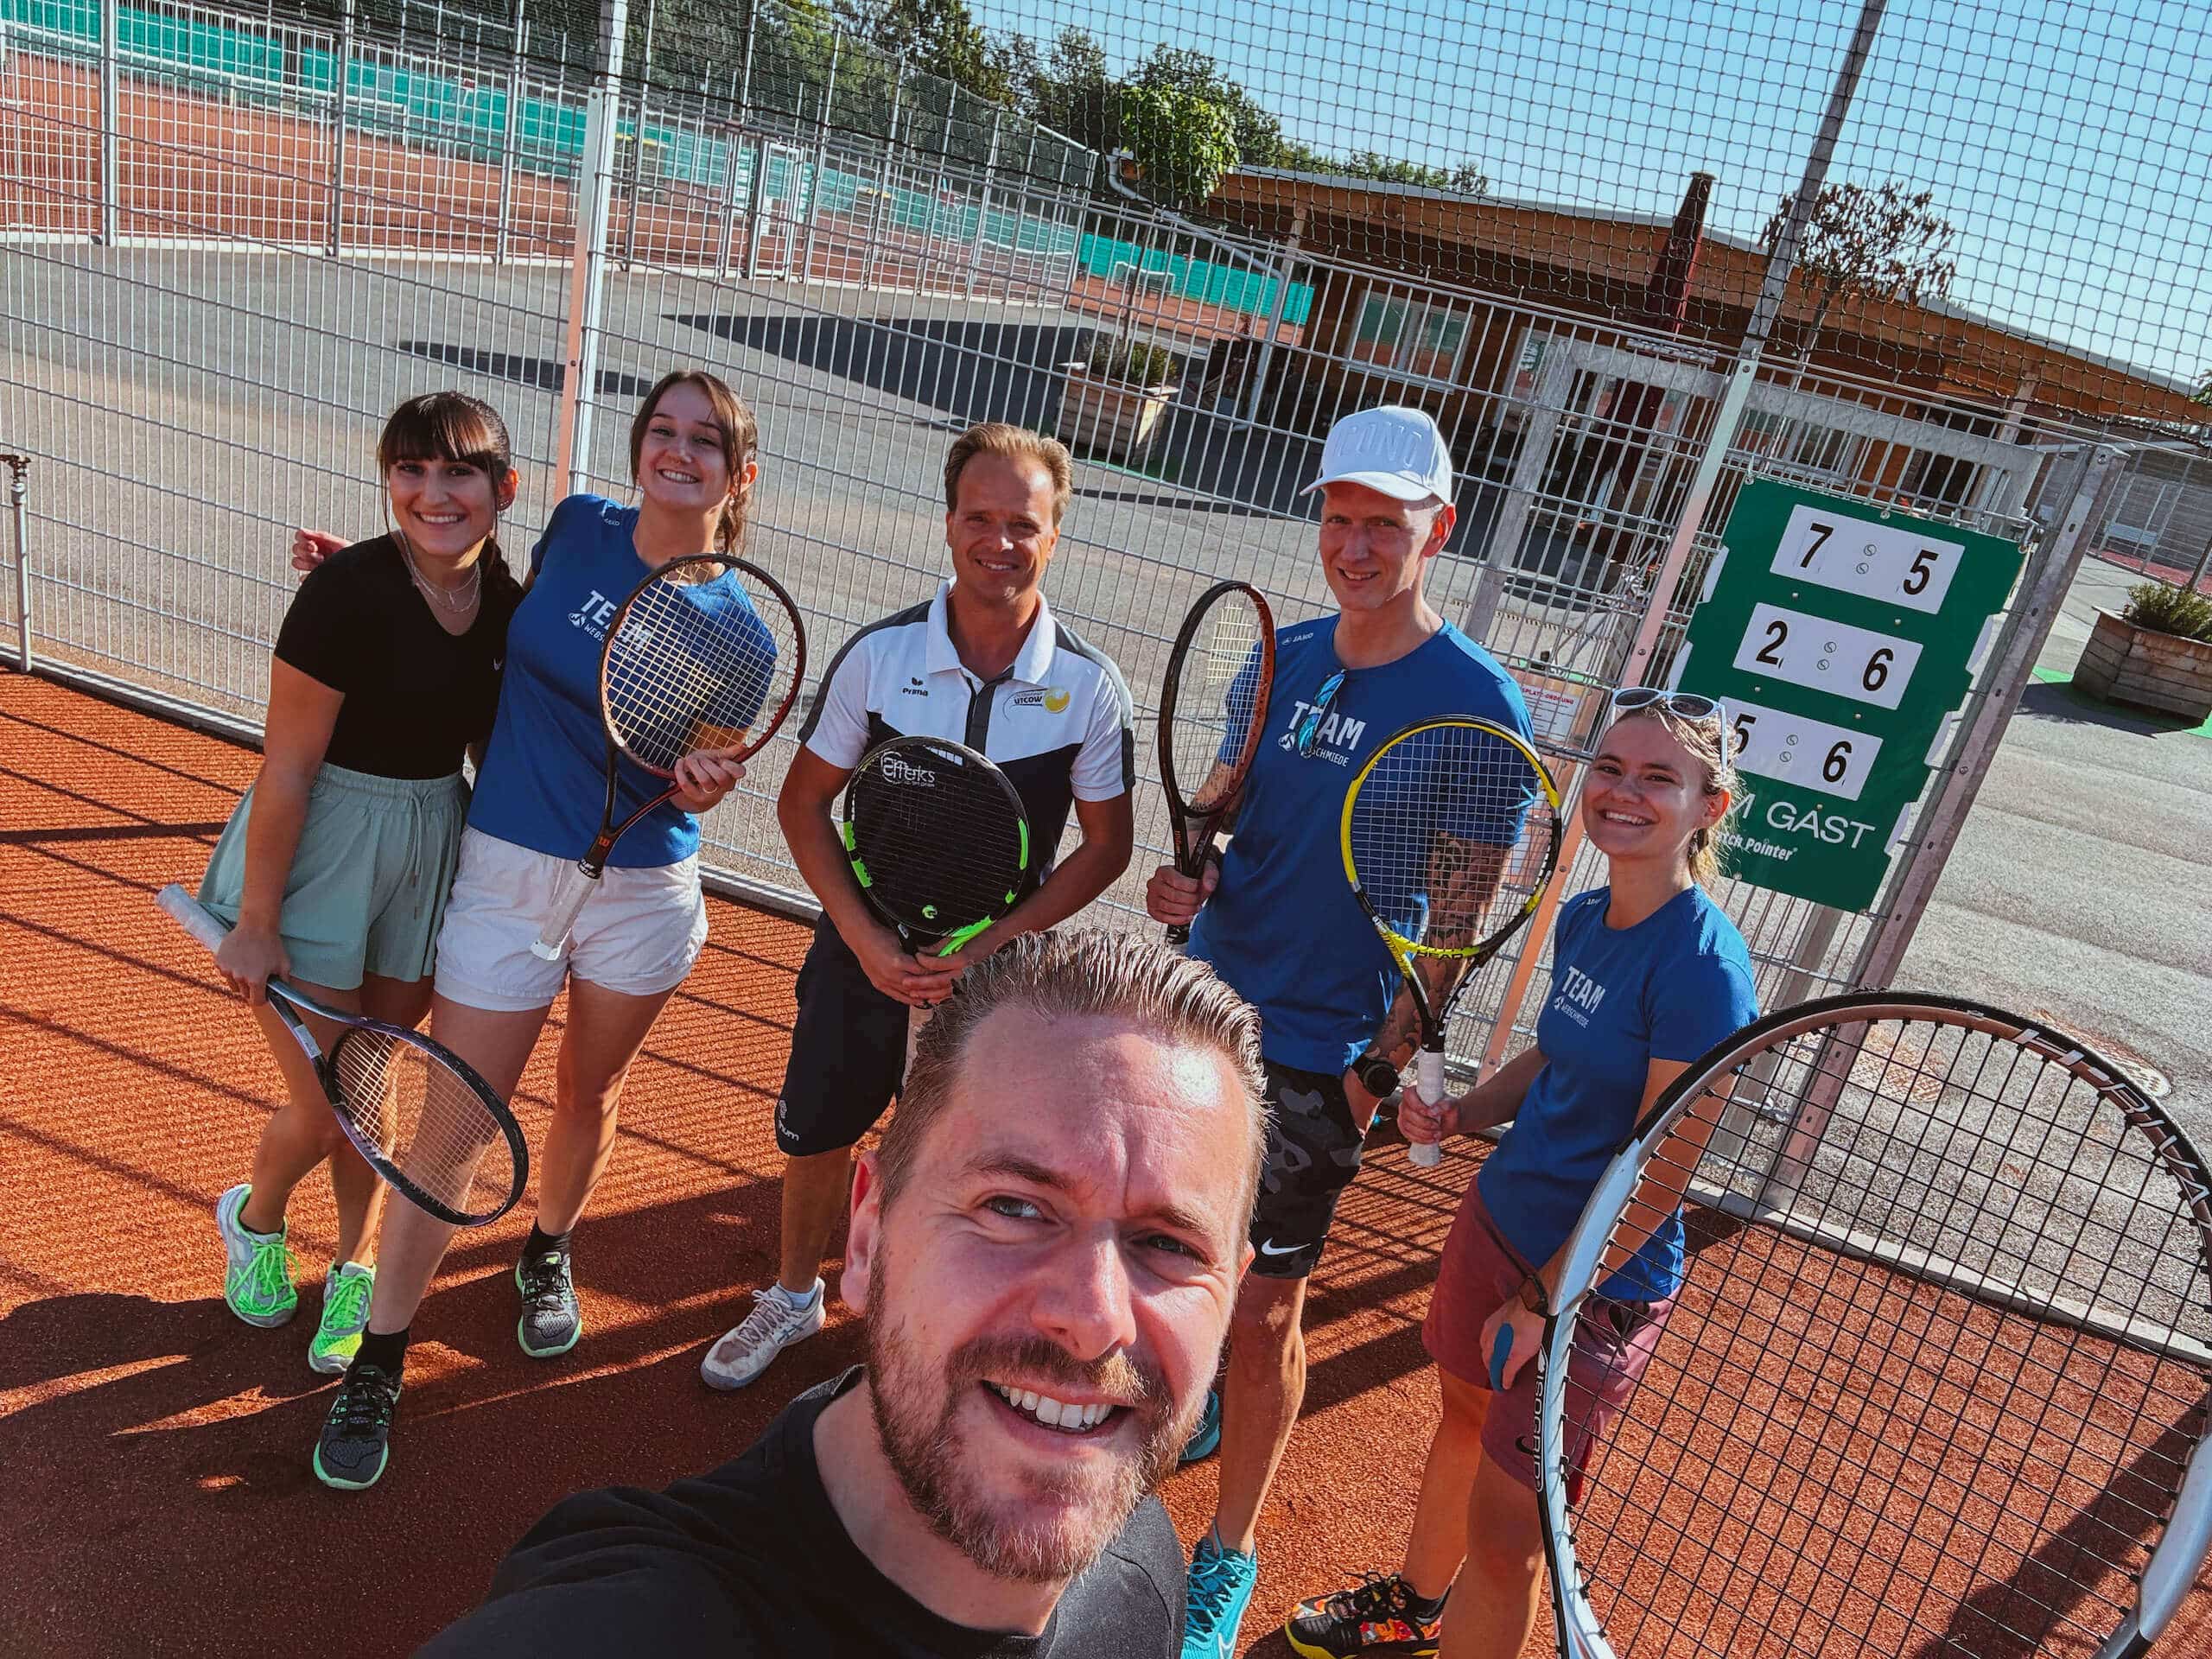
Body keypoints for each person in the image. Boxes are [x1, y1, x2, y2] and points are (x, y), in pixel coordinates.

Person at [417, 930, 1268, 1656]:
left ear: (1230, 1295)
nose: (1093, 1318)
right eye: (1013, 1207)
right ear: (865, 1237)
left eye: (1169, 1244)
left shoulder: (1141, 1568)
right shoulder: (618, 1625)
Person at [304, 369, 762, 1491]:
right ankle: (380, 1360)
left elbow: (699, 768)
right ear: (639, 447)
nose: (678, 450)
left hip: (641, 890)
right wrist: (377, 587)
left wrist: (705, 783)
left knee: (590, 1093)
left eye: (705, 440)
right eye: (663, 429)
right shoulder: (577, 527)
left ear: (737, 473)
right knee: (455, 1123)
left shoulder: (745, 637)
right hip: (509, 868)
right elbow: (489, 608)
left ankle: (548, 1250)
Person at [1144, 404, 1535, 1657]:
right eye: (1339, 517)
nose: (1355, 546)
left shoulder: (1477, 704)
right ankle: (1201, 1411)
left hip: (1324, 1053)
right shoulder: (1282, 656)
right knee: (1175, 1250)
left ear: (1439, 531)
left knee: (1267, 1310)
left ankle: (1229, 1553)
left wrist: (1374, 1072)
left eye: (1384, 525)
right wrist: (1189, 870)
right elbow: (1226, 806)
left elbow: (1457, 924)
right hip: (1205, 1015)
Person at [1281, 690, 1758, 1659]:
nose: (1623, 792)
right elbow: (1555, 1055)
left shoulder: (1705, 970)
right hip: (1499, 1220)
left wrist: (1548, 1295)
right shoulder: (1586, 918)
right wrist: (1466, 1112)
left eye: (1657, 778)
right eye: (1611, 769)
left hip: (1593, 1286)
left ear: (1708, 806)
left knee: (1509, 1538)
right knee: (1462, 1416)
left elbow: (1662, 1168)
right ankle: (1415, 1606)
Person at [696, 422, 1138, 1393]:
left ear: (1054, 534)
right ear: (948, 523)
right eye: (979, 517)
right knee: (818, 1131)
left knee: (963, 1164)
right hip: (862, 950)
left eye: (1022, 523)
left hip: (994, 977)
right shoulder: (879, 654)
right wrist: (862, 939)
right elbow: (802, 805)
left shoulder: (1088, 687)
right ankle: (794, 1294)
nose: (999, 541)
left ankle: (922, 1329)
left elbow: (1108, 846)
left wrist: (994, 947)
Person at [200, 392, 523, 1376]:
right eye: (410, 470)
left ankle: (353, 1268)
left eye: (458, 471)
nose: (433, 492)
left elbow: (487, 741)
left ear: (504, 488)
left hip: (430, 843)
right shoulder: (342, 591)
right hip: (323, 845)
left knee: (371, 1080)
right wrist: (257, 922)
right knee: (330, 1099)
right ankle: (255, 1218)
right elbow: (288, 767)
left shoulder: (504, 602)